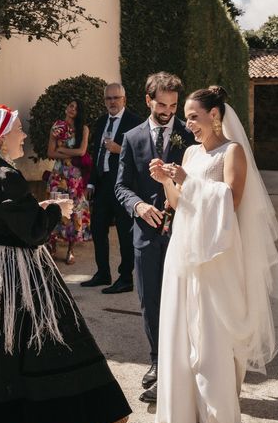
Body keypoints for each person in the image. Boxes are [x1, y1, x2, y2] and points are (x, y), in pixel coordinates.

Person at [0, 105, 131, 423]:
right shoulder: (6, 175)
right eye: (18, 129)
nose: (23, 135)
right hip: (9, 271)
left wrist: (40, 209)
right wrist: (57, 212)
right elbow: (31, 231)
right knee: (37, 344)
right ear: (1, 138)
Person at [150, 86, 278, 423]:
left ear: (215, 116)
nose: (188, 125)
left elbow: (231, 199)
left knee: (213, 331)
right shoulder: (188, 155)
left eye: (193, 117)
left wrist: (188, 182)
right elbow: (179, 201)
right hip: (184, 248)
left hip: (218, 254)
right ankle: (185, 413)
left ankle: (217, 416)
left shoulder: (233, 152)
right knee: (182, 327)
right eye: (187, 118)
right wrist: (168, 181)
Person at [114, 72, 196, 403]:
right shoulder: (131, 137)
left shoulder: (189, 135)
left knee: (182, 300)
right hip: (145, 234)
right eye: (162, 104)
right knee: (149, 300)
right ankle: (157, 361)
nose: (168, 111)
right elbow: (121, 186)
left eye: (174, 105)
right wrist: (139, 205)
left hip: (184, 231)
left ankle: (177, 365)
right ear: (148, 100)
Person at [82, 83, 141, 293]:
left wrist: (119, 149)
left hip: (124, 186)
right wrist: (91, 181)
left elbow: (143, 155)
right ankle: (103, 273)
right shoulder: (101, 122)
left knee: (125, 234)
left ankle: (126, 278)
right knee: (98, 229)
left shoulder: (135, 123)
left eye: (116, 98)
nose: (112, 102)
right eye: (109, 99)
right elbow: (96, 154)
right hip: (102, 185)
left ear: (124, 100)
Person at [46, 99, 92, 264]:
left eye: (77, 108)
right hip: (58, 175)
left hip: (74, 177)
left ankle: (71, 250)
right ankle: (52, 247)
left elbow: (82, 151)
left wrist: (62, 150)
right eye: (71, 105)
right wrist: (70, 153)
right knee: (54, 208)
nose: (73, 109)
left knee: (74, 210)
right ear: (66, 107)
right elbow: (50, 152)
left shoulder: (83, 129)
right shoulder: (57, 126)